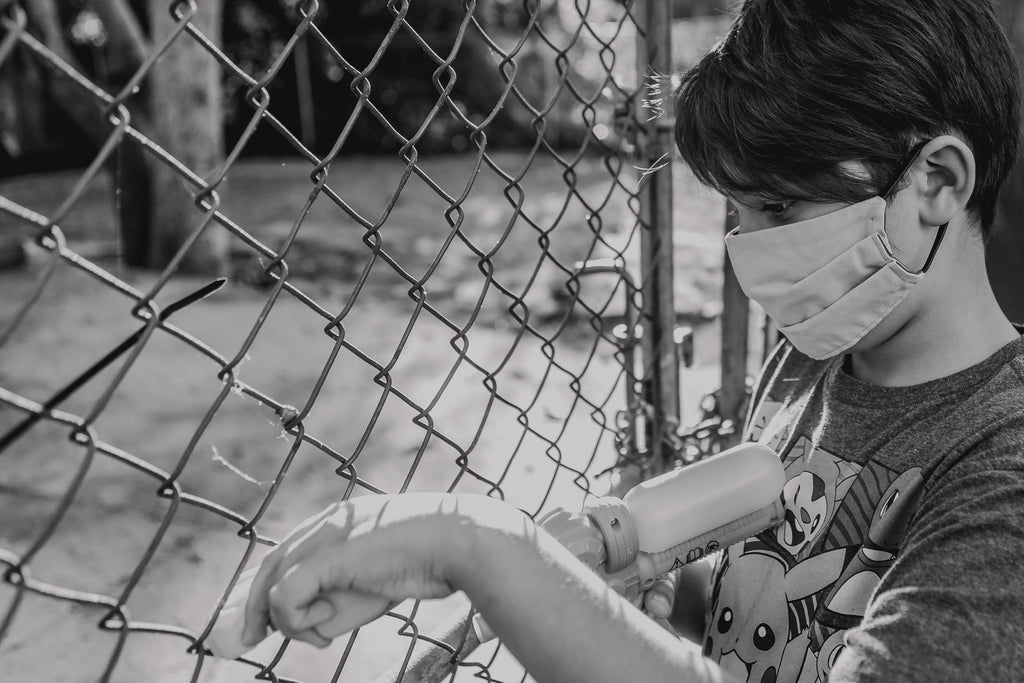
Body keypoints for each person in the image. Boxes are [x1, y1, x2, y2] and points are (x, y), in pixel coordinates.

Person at [236, 1, 1024, 681]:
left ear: (937, 181)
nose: (748, 249)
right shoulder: (813, 356)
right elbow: (777, 609)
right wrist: (653, 605)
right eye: (737, 211)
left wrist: (481, 548)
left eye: (781, 207)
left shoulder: (1001, 468)